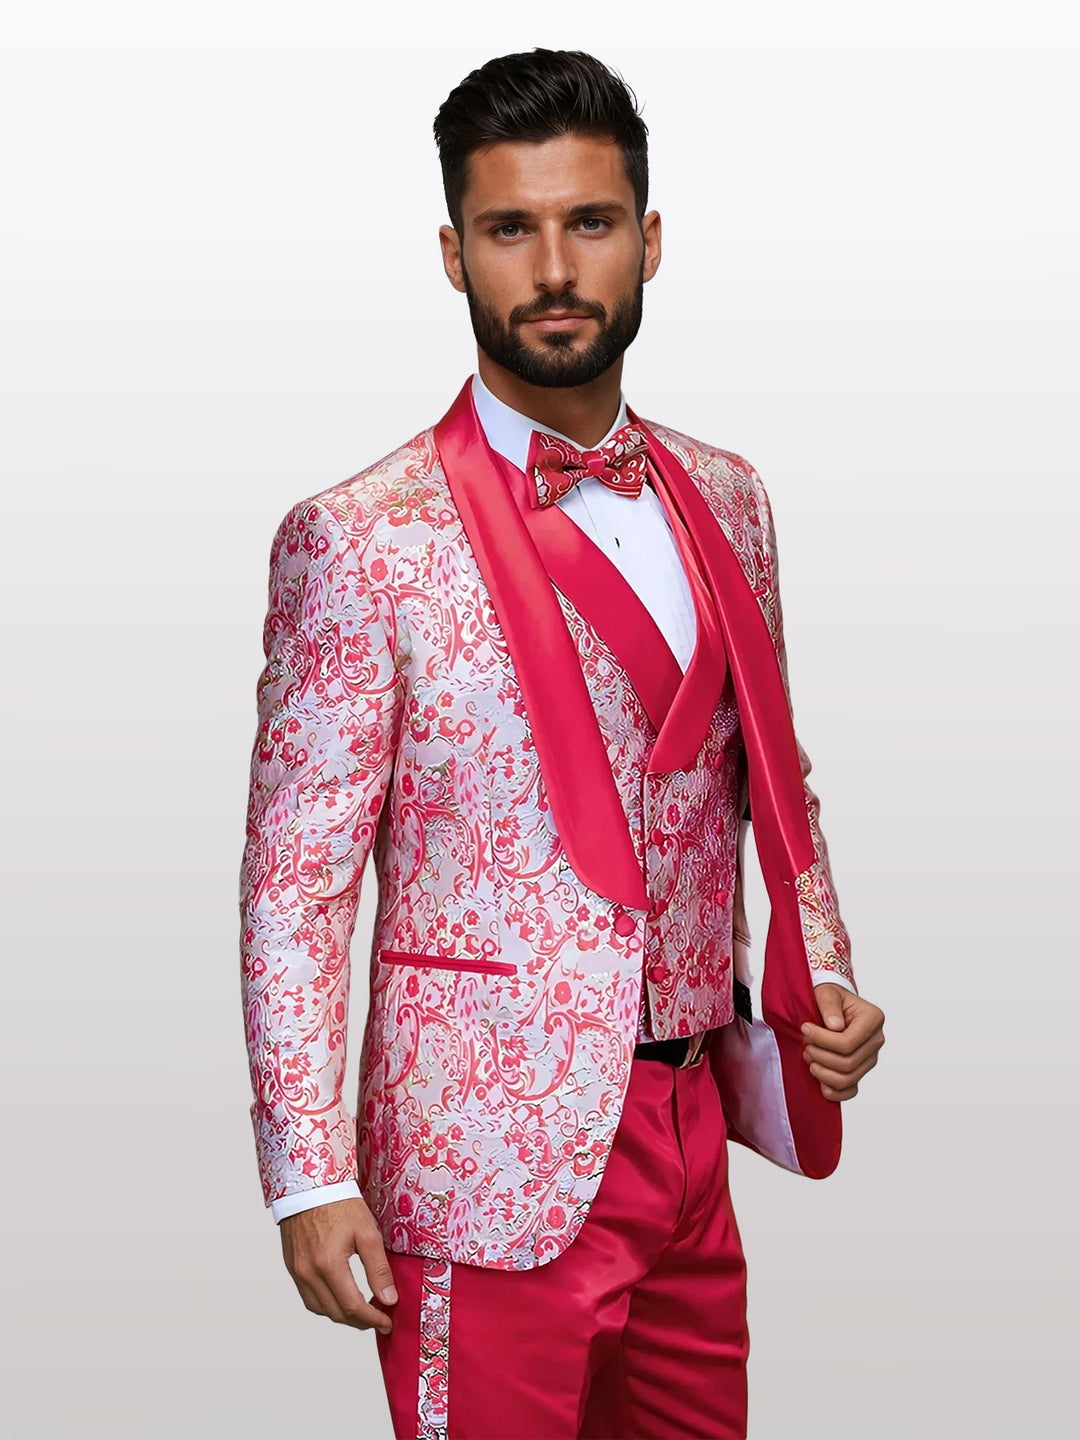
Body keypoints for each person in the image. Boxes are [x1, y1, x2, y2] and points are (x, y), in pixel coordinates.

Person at [238, 47, 886, 1440]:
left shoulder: (730, 494)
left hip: (688, 1130)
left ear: (647, 241)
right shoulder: (358, 538)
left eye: (588, 223)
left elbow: (771, 771)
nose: (551, 266)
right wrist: (307, 1171)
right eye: (508, 228)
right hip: (483, 1168)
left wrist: (820, 974)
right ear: (453, 251)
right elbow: (297, 886)